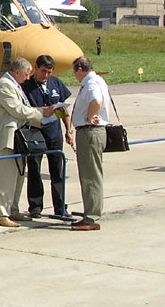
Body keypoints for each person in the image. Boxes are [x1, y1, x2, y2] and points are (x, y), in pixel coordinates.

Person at [0, 57, 54, 227]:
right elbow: (17, 109)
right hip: (9, 137)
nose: (28, 78)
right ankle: (0, 214)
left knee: (19, 176)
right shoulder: (4, 85)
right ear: (17, 72)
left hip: (20, 137)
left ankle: (13, 209)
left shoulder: (15, 85)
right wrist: (41, 113)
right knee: (6, 177)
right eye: (26, 75)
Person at [21, 55, 73, 218]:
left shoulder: (55, 83)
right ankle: (35, 207)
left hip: (54, 132)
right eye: (43, 71)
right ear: (35, 68)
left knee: (57, 170)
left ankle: (60, 207)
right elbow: (22, 109)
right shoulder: (26, 86)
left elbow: (63, 109)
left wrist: (68, 130)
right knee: (34, 169)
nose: (46, 75)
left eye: (49, 72)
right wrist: (42, 110)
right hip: (35, 132)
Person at [70, 56, 110, 231]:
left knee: (90, 176)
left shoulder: (91, 82)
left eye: (74, 72)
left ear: (80, 69)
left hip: (89, 132)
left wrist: (88, 116)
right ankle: (91, 211)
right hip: (93, 132)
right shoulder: (98, 79)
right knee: (91, 174)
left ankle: (91, 217)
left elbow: (96, 101)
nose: (75, 76)